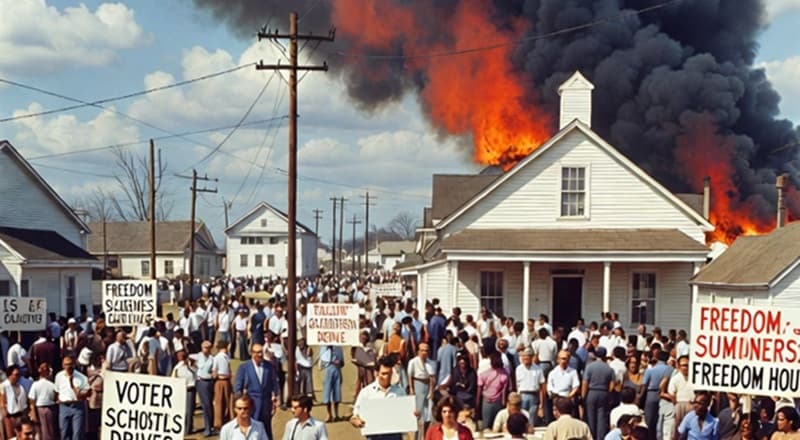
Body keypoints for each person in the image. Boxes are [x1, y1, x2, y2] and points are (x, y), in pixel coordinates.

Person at [351, 354, 410, 440]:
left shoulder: (400, 392)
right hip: (374, 436)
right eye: (384, 374)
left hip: (395, 436)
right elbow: (354, 417)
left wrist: (412, 415)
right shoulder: (366, 393)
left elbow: (407, 414)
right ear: (376, 373)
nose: (387, 377)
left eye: (389, 374)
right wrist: (357, 421)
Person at [234, 343, 279, 440]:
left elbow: (274, 384)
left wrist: (275, 400)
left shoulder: (269, 367)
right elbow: (237, 387)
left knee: (266, 429)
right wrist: (241, 402)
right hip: (251, 404)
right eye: (257, 352)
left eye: (261, 352)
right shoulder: (244, 367)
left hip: (266, 404)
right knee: (252, 428)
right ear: (252, 353)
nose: (260, 355)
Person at [582, 346, 615, 440]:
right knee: (602, 417)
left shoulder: (590, 367)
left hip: (591, 392)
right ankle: (601, 437)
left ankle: (591, 437)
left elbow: (585, 383)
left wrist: (583, 396)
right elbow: (612, 385)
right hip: (603, 392)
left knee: (590, 416)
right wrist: (608, 395)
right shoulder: (609, 368)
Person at [54, 356, 89, 440]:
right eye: (66, 364)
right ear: (63, 365)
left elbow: (86, 393)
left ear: (74, 364)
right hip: (64, 406)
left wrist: (74, 387)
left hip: (77, 406)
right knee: (64, 432)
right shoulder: (59, 376)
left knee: (77, 434)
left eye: (70, 364)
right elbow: (57, 391)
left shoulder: (82, 377)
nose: (68, 366)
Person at [408, 343, 436, 437]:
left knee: (429, 414)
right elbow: (410, 376)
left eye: (426, 350)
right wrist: (412, 389)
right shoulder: (413, 362)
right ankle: (416, 436)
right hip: (418, 384)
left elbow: (432, 378)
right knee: (418, 413)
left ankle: (426, 436)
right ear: (418, 351)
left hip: (427, 385)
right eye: (422, 350)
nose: (424, 352)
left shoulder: (431, 363)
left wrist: (431, 391)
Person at [477, 352, 509, 431]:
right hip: (498, 401)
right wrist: (504, 404)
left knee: (486, 426)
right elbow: (504, 391)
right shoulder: (504, 374)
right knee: (497, 425)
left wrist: (478, 403)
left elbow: (479, 390)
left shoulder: (483, 374)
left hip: (486, 401)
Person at [516, 348, 546, 426]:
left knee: (532, 419)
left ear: (531, 357)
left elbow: (542, 387)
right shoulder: (518, 369)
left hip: (534, 396)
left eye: (527, 357)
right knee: (522, 418)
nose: (525, 359)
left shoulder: (538, 369)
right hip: (522, 395)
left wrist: (541, 404)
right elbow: (517, 385)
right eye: (523, 357)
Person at [28, 362, 57, 440]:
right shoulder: (52, 385)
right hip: (50, 408)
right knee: (49, 430)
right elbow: (55, 397)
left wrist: (33, 412)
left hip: (40, 408)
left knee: (42, 430)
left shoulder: (35, 384)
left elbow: (31, 400)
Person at [193, 340, 216, 437]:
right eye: (204, 348)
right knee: (204, 405)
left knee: (208, 405)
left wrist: (213, 375)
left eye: (207, 348)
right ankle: (207, 427)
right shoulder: (198, 356)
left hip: (208, 382)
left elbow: (214, 371)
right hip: (200, 381)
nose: (206, 350)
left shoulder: (212, 359)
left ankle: (209, 427)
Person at [172, 349, 197, 436]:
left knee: (189, 411)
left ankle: (188, 428)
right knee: (182, 410)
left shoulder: (192, 366)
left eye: (183, 356)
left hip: (190, 389)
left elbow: (195, 374)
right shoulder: (177, 367)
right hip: (181, 390)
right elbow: (173, 379)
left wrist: (190, 364)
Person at [1, 366, 28, 440]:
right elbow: (2, 403)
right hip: (10, 417)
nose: (18, 377)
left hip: (20, 415)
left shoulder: (20, 386)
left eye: (19, 375)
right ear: (10, 375)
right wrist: (7, 417)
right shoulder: (3, 386)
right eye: (16, 374)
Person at [213, 340, 234, 431]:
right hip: (220, 381)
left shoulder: (227, 357)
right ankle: (218, 422)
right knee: (219, 402)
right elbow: (214, 372)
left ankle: (227, 419)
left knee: (228, 401)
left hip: (227, 381)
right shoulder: (217, 357)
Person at [320, 344, 344, 422]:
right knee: (327, 393)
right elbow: (322, 360)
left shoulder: (338, 347)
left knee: (337, 392)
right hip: (327, 370)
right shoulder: (323, 347)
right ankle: (329, 414)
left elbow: (342, 362)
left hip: (336, 370)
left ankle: (336, 414)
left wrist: (338, 362)